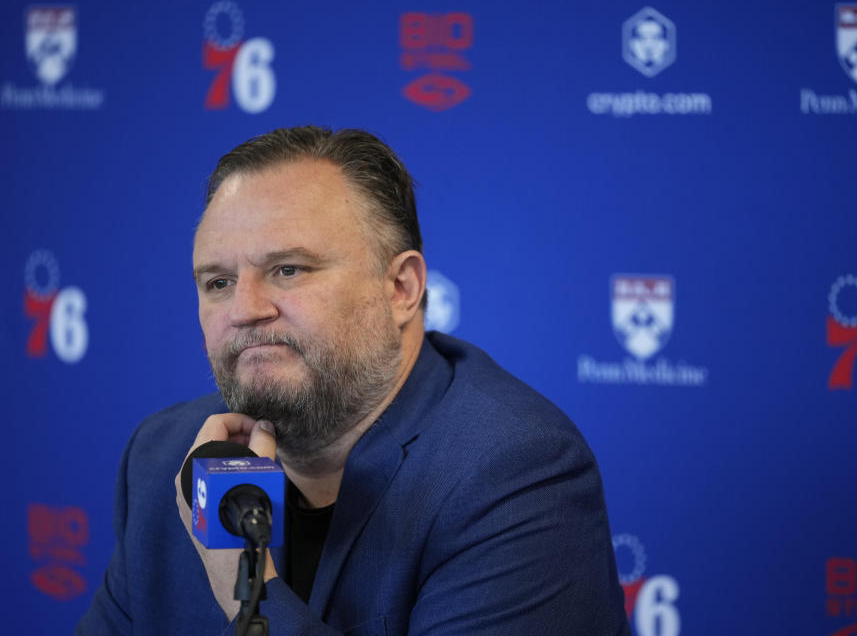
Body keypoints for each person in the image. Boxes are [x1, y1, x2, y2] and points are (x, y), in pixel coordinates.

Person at [78, 126, 628, 635]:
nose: (244, 309)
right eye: (218, 282)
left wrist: (242, 586)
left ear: (401, 288)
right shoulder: (164, 458)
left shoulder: (513, 471)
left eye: (288, 269)